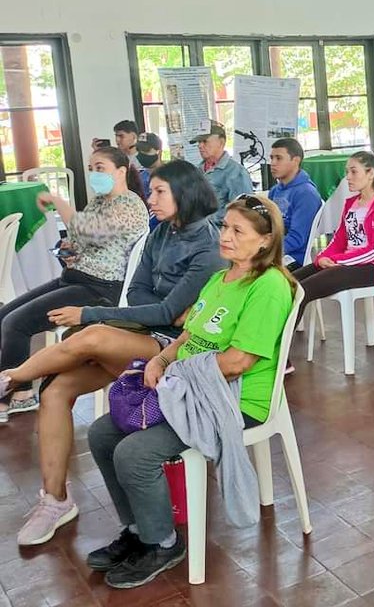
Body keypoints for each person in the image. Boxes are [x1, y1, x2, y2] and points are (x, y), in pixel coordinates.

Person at [0, 162, 222, 545]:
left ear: (185, 193)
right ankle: (55, 500)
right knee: (54, 392)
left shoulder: (207, 246)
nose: (150, 199)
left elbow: (168, 316)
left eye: (159, 192)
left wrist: (92, 312)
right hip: (139, 332)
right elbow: (137, 295)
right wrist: (161, 306)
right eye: (151, 191)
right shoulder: (159, 235)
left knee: (92, 332)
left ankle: (12, 377)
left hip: (172, 349)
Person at [87, 194, 295, 589]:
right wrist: (160, 361)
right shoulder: (221, 278)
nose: (226, 237)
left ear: (265, 241)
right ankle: (137, 529)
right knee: (101, 433)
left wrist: (177, 374)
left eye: (238, 231)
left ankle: (163, 543)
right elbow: (188, 334)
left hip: (233, 399)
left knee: (134, 453)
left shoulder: (268, 287)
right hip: (189, 388)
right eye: (224, 227)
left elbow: (238, 362)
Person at [0, 147, 150, 417]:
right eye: (91, 168)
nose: (94, 173)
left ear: (121, 171)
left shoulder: (131, 205)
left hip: (100, 289)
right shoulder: (99, 202)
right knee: (4, 314)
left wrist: (58, 201)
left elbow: (87, 229)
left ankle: (19, 394)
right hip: (76, 278)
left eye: (100, 167)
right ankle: (14, 386)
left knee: (15, 324)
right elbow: (83, 240)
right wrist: (70, 250)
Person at [291, 151, 374, 320]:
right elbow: (339, 239)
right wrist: (322, 257)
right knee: (288, 283)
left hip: (371, 268)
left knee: (302, 290)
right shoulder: (352, 203)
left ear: (371, 173)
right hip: (345, 262)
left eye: (354, 171)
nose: (348, 177)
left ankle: (278, 344)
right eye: (347, 171)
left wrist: (338, 260)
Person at [267, 138, 322, 271]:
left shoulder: (306, 194)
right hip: (276, 251)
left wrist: (265, 251)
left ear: (295, 161)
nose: (272, 163)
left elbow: (297, 238)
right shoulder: (275, 190)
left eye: (279, 158)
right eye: (271, 158)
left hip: (295, 259)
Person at [192, 121, 252, 219]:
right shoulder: (196, 171)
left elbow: (243, 211)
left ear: (221, 142)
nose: (200, 145)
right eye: (199, 142)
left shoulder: (236, 173)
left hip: (220, 231)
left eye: (205, 141)